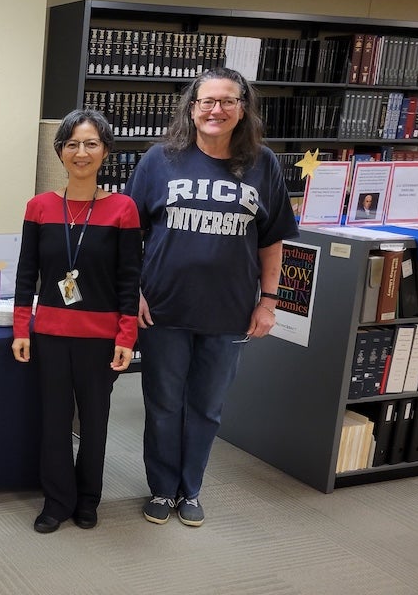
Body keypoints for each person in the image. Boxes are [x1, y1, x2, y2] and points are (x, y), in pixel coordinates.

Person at [125, 68, 298, 528]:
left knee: (206, 407)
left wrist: (269, 301)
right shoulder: (159, 160)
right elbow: (129, 234)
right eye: (207, 101)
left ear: (243, 108)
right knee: (163, 403)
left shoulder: (263, 164)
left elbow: (272, 240)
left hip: (230, 311)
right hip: (163, 307)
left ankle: (191, 489)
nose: (216, 110)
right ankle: (162, 489)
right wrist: (132, 291)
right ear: (192, 107)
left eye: (227, 101)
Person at [12, 108, 141, 533]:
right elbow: (26, 273)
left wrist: (127, 335)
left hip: (100, 339)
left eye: (90, 144)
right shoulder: (40, 207)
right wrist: (20, 328)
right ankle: (57, 500)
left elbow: (128, 280)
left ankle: (88, 499)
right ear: (60, 152)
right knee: (53, 422)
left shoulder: (123, 209)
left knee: (95, 423)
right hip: (49, 334)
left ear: (105, 151)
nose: (80, 152)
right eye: (72, 144)